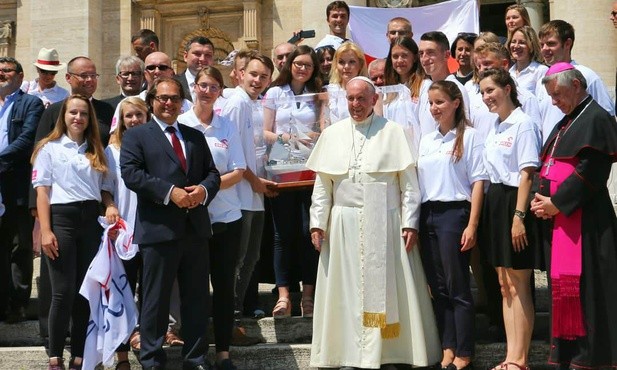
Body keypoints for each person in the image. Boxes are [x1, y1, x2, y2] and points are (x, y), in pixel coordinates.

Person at [307, 76, 440, 369]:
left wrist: (410, 223)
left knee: (386, 289)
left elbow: (408, 186)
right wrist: (318, 222)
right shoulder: (332, 134)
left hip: (385, 219)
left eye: (361, 99)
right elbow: (322, 186)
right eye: (351, 99)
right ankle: (346, 354)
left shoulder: (393, 132)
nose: (355, 104)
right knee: (346, 291)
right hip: (342, 223)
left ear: (374, 100)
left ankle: (389, 353)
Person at [120, 77, 220, 370]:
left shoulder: (194, 136)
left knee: (197, 299)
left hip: (195, 229)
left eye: (174, 98)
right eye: (162, 98)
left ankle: (196, 358)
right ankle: (152, 359)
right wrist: (169, 193)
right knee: (155, 301)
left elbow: (212, 174)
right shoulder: (137, 136)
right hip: (158, 230)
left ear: (181, 102)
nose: (168, 103)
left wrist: (201, 191)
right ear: (151, 101)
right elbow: (131, 174)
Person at [530, 62, 617, 370]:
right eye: (551, 96)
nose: (554, 101)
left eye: (557, 94)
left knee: (589, 292)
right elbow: (549, 164)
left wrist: (557, 203)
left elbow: (592, 170)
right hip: (564, 222)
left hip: (589, 224)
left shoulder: (596, 118)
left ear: (577, 85)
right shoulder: (568, 120)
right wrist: (540, 200)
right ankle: (569, 355)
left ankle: (590, 358)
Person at [32, 94, 114, 370]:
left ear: (90, 119)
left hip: (90, 221)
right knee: (62, 291)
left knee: (84, 292)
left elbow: (104, 188)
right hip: (62, 220)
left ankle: (79, 356)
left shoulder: (95, 148)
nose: (78, 118)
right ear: (63, 117)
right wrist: (45, 230)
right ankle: (55, 356)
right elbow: (42, 192)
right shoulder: (49, 148)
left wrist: (111, 206)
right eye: (73, 113)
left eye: (83, 114)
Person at [417, 80, 487, 370]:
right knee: (438, 287)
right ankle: (447, 346)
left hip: (454, 214)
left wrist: (472, 224)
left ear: (456, 102)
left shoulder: (469, 136)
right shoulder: (427, 139)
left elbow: (478, 182)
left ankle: (464, 350)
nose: (434, 109)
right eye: (431, 103)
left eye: (440, 102)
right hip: (428, 214)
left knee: (457, 286)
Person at [180, 67, 246, 370]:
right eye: (202, 85)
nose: (207, 91)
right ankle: (194, 353)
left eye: (214, 87)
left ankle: (222, 352)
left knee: (222, 288)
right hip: (191, 219)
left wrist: (206, 189)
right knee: (194, 289)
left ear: (221, 91)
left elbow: (239, 170)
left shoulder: (227, 126)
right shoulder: (181, 123)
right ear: (194, 87)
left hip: (226, 217)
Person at [479, 69, 541, 370]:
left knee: (519, 282)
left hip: (515, 203)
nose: (486, 97)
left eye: (491, 90)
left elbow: (527, 172)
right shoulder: (495, 126)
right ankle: (509, 356)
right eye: (482, 93)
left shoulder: (523, 123)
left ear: (507, 88)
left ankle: (521, 359)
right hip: (495, 201)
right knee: (504, 283)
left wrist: (519, 216)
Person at [263, 45, 322, 319]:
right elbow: (265, 131)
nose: (302, 68)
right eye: (298, 63)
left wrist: (312, 135)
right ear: (289, 65)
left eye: (308, 65)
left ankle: (308, 297)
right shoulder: (275, 92)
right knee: (282, 235)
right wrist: (286, 139)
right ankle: (284, 295)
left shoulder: (318, 94)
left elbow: (323, 127)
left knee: (308, 232)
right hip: (283, 168)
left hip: (310, 170)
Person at [219, 54, 278, 327]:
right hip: (239, 195)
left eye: (263, 76)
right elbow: (232, 150)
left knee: (251, 257)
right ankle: (228, 318)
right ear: (241, 74)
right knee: (238, 259)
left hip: (255, 193)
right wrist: (255, 181)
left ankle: (236, 312)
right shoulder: (237, 103)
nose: (257, 80)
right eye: (253, 74)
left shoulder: (253, 104)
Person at [104, 97, 149, 370]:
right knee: (123, 291)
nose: (133, 120)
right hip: (124, 230)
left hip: (152, 229)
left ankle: (146, 342)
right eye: (128, 116)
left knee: (149, 291)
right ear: (121, 120)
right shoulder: (112, 151)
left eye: (138, 115)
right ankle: (121, 354)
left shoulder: (154, 145)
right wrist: (109, 205)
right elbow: (106, 186)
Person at [0, 57, 45, 324]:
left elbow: (27, 139)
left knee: (19, 247)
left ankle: (17, 304)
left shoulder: (30, 103)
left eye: (6, 71)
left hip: (15, 186)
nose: (1, 75)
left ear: (19, 75)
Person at [536, 20, 615, 142]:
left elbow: (607, 118)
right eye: (542, 45)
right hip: (550, 156)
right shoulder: (542, 81)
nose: (544, 49)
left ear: (567, 44)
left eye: (551, 44)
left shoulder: (588, 76)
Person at [35, 56, 114, 146]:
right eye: (84, 76)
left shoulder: (107, 110)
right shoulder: (53, 111)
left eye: (93, 76)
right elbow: (40, 148)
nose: (90, 80)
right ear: (68, 78)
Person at [417, 32, 470, 142]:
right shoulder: (424, 89)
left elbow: (464, 129)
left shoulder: (457, 89)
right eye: (421, 53)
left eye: (430, 53)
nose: (424, 59)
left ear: (446, 55)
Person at [325, 42, 367, 124]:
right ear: (336, 65)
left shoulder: (370, 90)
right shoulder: (328, 91)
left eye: (352, 62)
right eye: (341, 62)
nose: (346, 67)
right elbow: (325, 123)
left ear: (360, 64)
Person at [507, 26, 547, 95]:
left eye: (522, 42)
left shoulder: (540, 71)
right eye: (513, 42)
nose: (516, 46)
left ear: (531, 45)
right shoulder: (509, 72)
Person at [176, 36, 215, 102]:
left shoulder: (222, 91)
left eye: (208, 55)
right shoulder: (172, 84)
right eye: (197, 54)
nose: (202, 59)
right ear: (185, 56)